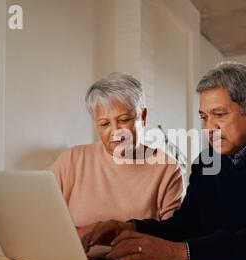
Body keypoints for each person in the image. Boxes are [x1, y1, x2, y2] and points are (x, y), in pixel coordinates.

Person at [83, 62, 246, 260]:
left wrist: (181, 254)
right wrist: (131, 227)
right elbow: (187, 225)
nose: (208, 129)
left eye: (219, 114)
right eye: (204, 117)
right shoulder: (206, 161)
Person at [48, 72, 184, 245]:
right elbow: (39, 215)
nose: (116, 133)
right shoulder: (71, 160)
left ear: (142, 117)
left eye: (124, 120)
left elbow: (173, 237)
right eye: (104, 124)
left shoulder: (167, 168)